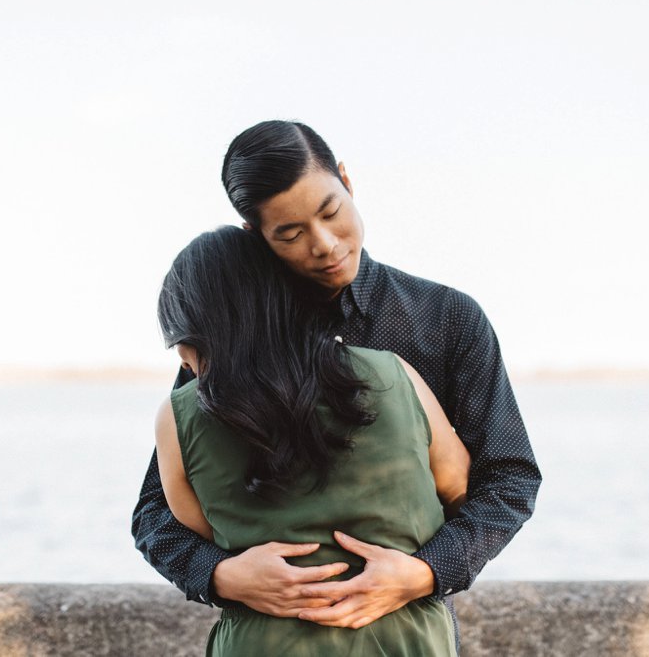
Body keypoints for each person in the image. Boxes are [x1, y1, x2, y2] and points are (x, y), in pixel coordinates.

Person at [133, 120, 541, 644]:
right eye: (290, 233)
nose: (324, 245)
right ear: (256, 236)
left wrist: (426, 571)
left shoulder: (446, 318)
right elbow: (156, 511)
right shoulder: (227, 343)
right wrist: (221, 574)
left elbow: (508, 478)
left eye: (330, 212)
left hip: (403, 635)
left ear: (347, 181)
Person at [156, 226, 468, 654]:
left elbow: (200, 525)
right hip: (403, 639)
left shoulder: (178, 416)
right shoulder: (395, 374)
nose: (190, 372)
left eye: (187, 357)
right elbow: (458, 485)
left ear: (196, 336)